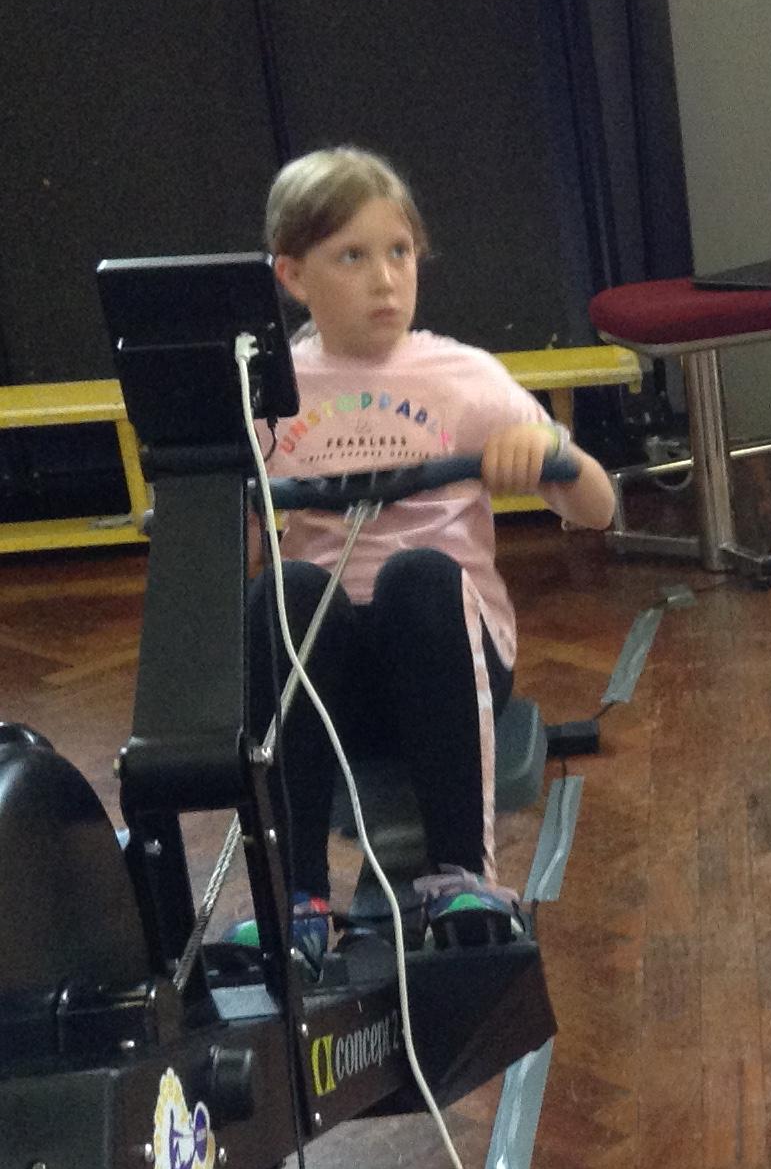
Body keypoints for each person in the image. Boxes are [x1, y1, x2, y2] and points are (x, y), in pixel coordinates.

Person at [221, 147, 616, 967]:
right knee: (286, 589)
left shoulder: (462, 377)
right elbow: (236, 556)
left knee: (420, 575)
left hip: (446, 656)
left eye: (399, 252)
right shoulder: (271, 392)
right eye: (352, 257)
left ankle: (462, 877)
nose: (385, 280)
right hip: (332, 680)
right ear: (292, 276)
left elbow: (598, 508)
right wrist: (226, 513)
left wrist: (552, 456)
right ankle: (296, 897)